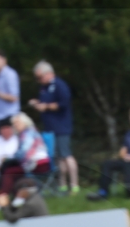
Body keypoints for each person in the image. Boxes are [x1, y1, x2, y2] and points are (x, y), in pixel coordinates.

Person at [29, 60, 78, 194]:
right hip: (49, 128)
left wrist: (46, 107)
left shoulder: (59, 85)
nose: (38, 80)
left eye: (40, 77)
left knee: (66, 154)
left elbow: (63, 103)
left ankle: (74, 185)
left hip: (61, 126)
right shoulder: (44, 87)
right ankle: (62, 185)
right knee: (57, 157)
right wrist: (37, 103)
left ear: (49, 73)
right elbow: (45, 102)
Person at [0, 112, 50, 198]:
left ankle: (4, 196)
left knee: (9, 171)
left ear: (25, 122)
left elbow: (24, 152)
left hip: (38, 164)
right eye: (14, 124)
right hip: (36, 163)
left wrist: (9, 159)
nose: (15, 125)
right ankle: (16, 196)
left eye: (18, 122)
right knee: (11, 168)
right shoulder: (26, 132)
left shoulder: (28, 133)